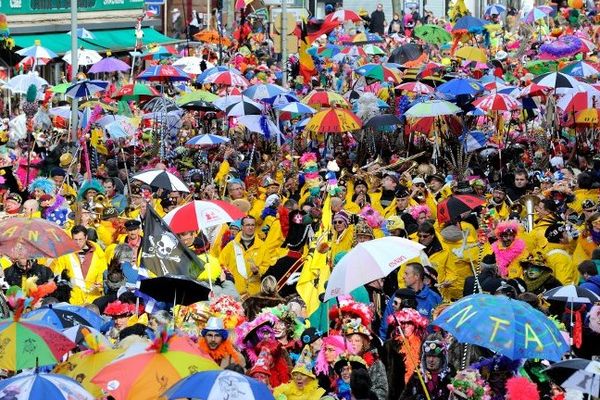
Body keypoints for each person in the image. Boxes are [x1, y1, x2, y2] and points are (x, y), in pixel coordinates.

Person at [381, 263, 442, 339]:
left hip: (426, 347)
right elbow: (386, 323)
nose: (403, 276)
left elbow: (441, 326)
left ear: (417, 276)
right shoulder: (398, 295)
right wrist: (386, 345)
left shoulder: (434, 298)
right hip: (401, 346)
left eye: (406, 274)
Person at [50, 225, 108, 305]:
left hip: (93, 300)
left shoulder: (98, 253)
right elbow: (58, 275)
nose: (78, 242)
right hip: (72, 299)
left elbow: (102, 273)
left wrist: (99, 285)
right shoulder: (65, 253)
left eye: (80, 239)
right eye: (75, 240)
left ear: (86, 237)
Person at [400, 334, 454, 400]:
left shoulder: (451, 374)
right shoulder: (417, 374)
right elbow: (404, 397)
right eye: (428, 356)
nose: (431, 360)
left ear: (442, 358)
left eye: (435, 356)